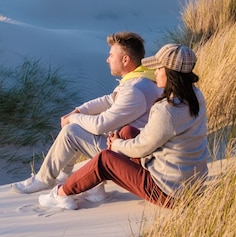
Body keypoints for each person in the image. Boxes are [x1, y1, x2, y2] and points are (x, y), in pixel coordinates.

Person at [37, 43, 208, 210]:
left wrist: (116, 145)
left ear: (170, 73)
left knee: (105, 159)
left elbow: (141, 148)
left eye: (159, 68)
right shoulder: (194, 96)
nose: (155, 72)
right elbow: (158, 136)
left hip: (169, 192)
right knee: (127, 132)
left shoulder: (167, 109)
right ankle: (93, 188)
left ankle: (61, 193)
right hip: (190, 184)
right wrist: (121, 139)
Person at [11, 32, 162, 202]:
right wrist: (77, 111)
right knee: (80, 125)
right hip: (131, 145)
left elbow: (100, 125)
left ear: (125, 60)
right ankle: (81, 183)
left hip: (129, 154)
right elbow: (108, 99)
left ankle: (44, 179)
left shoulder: (135, 90)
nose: (107, 59)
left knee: (72, 132)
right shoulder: (142, 80)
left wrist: (73, 119)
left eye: (111, 55)